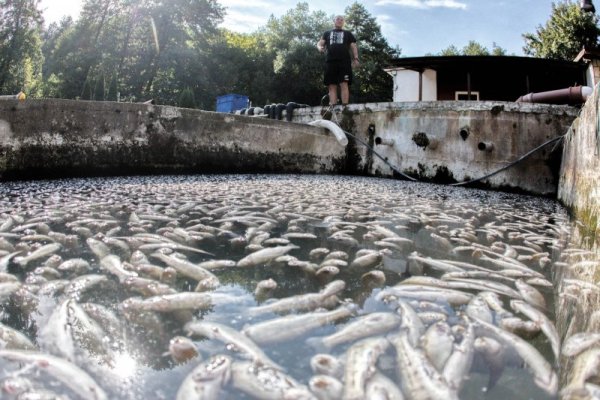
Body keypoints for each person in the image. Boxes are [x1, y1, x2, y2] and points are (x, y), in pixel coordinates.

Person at [317, 15, 359, 108]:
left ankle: (345, 107)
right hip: (330, 61)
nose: (340, 21)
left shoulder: (348, 33)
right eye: (338, 19)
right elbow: (320, 43)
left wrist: (356, 58)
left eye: (342, 20)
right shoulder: (327, 33)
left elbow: (353, 46)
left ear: (343, 22)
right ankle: (333, 107)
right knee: (331, 85)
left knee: (344, 83)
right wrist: (320, 48)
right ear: (334, 21)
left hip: (344, 62)